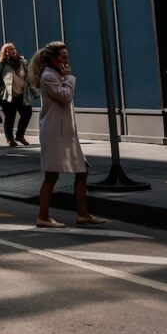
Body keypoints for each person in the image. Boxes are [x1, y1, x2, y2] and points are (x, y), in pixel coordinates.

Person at [32, 42, 106, 229]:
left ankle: (83, 214)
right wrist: (69, 78)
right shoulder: (49, 77)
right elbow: (65, 97)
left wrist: (64, 77)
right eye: (64, 57)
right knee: (52, 175)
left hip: (64, 133)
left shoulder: (55, 75)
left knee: (81, 171)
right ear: (53, 59)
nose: (67, 61)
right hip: (55, 134)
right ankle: (43, 216)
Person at [0, 43, 35, 147]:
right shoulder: (1, 64)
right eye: (10, 49)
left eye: (14, 48)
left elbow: (29, 76)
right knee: (10, 117)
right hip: (8, 96)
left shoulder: (22, 62)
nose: (13, 50)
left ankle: (20, 135)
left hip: (21, 95)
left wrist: (34, 89)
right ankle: (10, 139)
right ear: (5, 52)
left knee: (27, 113)